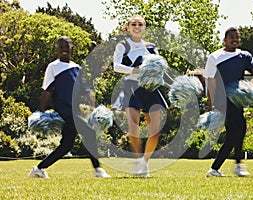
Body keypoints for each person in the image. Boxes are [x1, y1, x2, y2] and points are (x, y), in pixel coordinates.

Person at [28, 36, 111, 178]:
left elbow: (86, 90)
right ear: (57, 49)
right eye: (61, 46)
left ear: (71, 47)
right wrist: (39, 112)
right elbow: (47, 91)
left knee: (66, 145)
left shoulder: (76, 68)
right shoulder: (52, 67)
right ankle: (98, 170)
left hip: (75, 110)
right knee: (89, 133)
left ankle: (39, 169)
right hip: (64, 111)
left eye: (66, 46)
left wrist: (94, 108)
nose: (64, 49)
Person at [203, 27, 253, 177]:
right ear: (224, 39)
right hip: (222, 100)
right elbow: (210, 82)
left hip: (237, 100)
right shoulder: (215, 57)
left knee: (235, 134)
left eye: (237, 37)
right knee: (239, 129)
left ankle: (217, 168)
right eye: (231, 37)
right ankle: (236, 165)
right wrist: (210, 105)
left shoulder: (244, 56)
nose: (235, 40)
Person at [113, 15, 168, 178]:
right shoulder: (122, 45)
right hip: (131, 87)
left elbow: (159, 68)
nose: (137, 27)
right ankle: (138, 163)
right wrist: (134, 70)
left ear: (144, 28)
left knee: (155, 130)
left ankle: (144, 162)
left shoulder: (151, 47)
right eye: (133, 24)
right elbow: (116, 66)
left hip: (150, 88)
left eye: (140, 24)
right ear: (128, 27)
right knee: (133, 129)